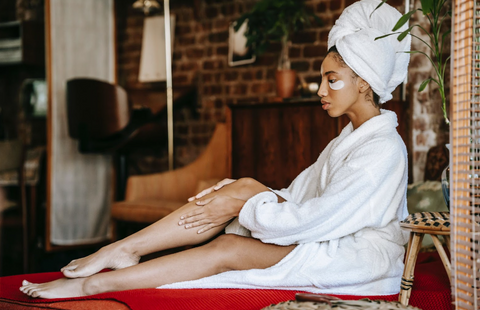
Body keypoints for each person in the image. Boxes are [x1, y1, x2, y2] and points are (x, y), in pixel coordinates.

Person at [20, 0, 411, 299]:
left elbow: (316, 219)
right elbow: (300, 198)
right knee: (238, 190)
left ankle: (95, 285)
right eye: (321, 79)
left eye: (332, 79)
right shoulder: (348, 139)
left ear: (363, 83)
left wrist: (247, 202)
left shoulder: (383, 149)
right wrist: (243, 194)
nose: (322, 91)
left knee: (228, 244)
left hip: (354, 256)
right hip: (324, 234)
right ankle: (121, 250)